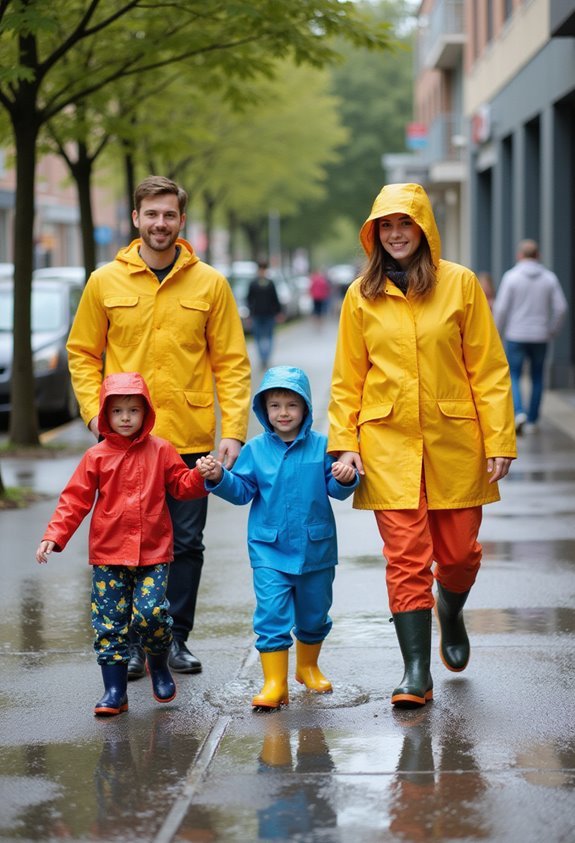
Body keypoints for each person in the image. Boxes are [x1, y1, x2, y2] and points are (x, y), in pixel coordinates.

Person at [327, 182, 517, 708]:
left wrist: (499, 436)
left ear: (423, 227)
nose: (395, 235)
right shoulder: (359, 296)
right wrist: (345, 444)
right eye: (384, 227)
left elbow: (489, 368)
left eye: (404, 224)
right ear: (374, 234)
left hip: (455, 440)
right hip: (386, 443)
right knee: (405, 558)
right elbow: (348, 378)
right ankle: (416, 672)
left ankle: (450, 609)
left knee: (456, 556)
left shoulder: (460, 285)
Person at [66, 175, 251, 680]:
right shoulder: (104, 282)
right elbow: (82, 353)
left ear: (181, 221)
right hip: (124, 444)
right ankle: (127, 645)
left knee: (186, 545)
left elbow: (231, 361)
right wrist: (93, 413)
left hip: (190, 441)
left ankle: (173, 641)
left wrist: (232, 430)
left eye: (169, 215)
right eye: (152, 214)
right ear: (135, 219)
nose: (160, 223)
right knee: (124, 545)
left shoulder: (210, 283)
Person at [35, 372, 209, 717]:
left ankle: (157, 663)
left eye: (133, 410)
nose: (126, 418)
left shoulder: (161, 450)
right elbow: (75, 500)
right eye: (118, 411)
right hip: (109, 554)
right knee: (109, 622)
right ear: (105, 415)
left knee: (151, 614)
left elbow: (181, 485)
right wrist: (53, 536)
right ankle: (114, 691)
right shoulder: (96, 456)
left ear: (146, 413)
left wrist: (200, 475)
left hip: (153, 553)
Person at [196, 366, 358, 710]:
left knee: (315, 614)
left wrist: (344, 477)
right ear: (264, 410)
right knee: (271, 614)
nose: (283, 413)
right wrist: (219, 476)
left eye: (291, 405)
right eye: (275, 406)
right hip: (269, 549)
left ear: (306, 409)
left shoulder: (323, 447)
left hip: (316, 548)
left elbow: (336, 490)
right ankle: (274, 682)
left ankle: (308, 667)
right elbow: (242, 492)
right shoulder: (255, 450)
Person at [493, 239, 568, 434]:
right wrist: (552, 330)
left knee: (515, 375)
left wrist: (496, 332)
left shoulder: (511, 277)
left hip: (515, 334)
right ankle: (533, 419)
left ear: (520, 256)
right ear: (538, 255)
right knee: (537, 376)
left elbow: (501, 309)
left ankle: (519, 413)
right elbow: (561, 308)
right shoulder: (549, 278)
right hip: (540, 335)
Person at [246, 260, 283, 369]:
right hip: (259, 314)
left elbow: (275, 299)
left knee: (267, 336)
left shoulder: (264, 283)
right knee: (260, 337)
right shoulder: (259, 283)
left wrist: (278, 312)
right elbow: (249, 300)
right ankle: (263, 357)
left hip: (266, 314)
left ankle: (265, 357)